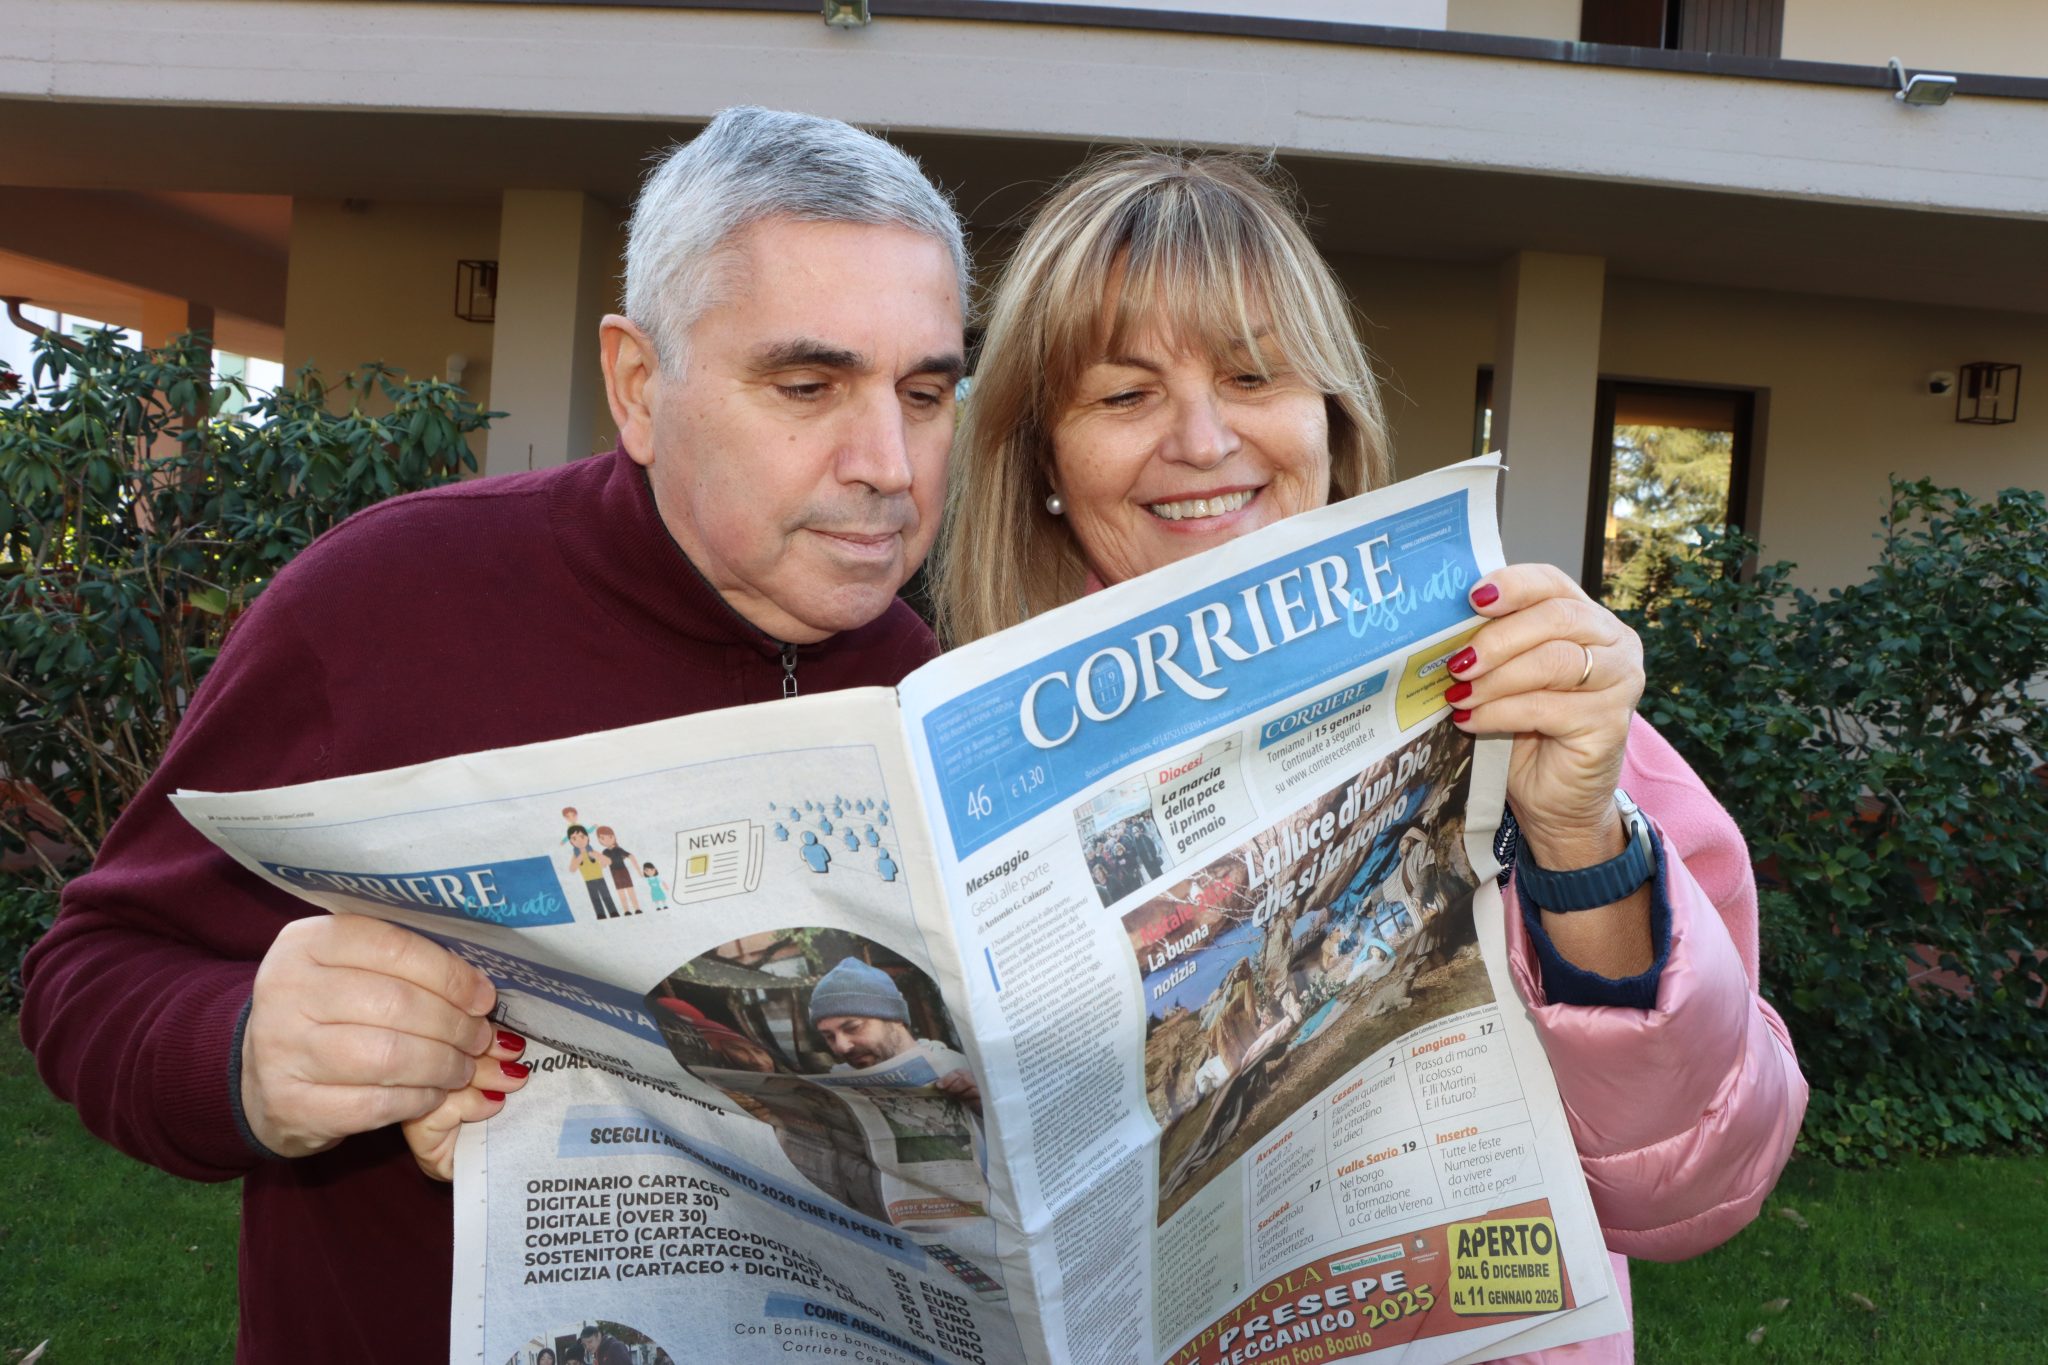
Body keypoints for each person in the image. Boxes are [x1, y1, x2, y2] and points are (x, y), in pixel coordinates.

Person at [20, 106, 967, 1363]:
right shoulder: (387, 603)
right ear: (638, 385)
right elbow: (92, 972)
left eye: (926, 391)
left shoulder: (929, 685)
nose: (889, 464)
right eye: (807, 386)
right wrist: (245, 1050)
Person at [933, 150, 1807, 1363]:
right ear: (1039, 463)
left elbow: (1694, 1186)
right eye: (1122, 396)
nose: (1200, 439)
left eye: (1250, 374)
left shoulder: (1523, 689)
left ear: (1328, 417)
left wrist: (1578, 849)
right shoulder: (966, 782)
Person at [807, 957, 980, 1110]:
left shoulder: (965, 1073)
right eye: (829, 1036)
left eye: (853, 1027)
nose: (842, 1047)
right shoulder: (838, 1082)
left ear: (896, 1018)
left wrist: (986, 1111)